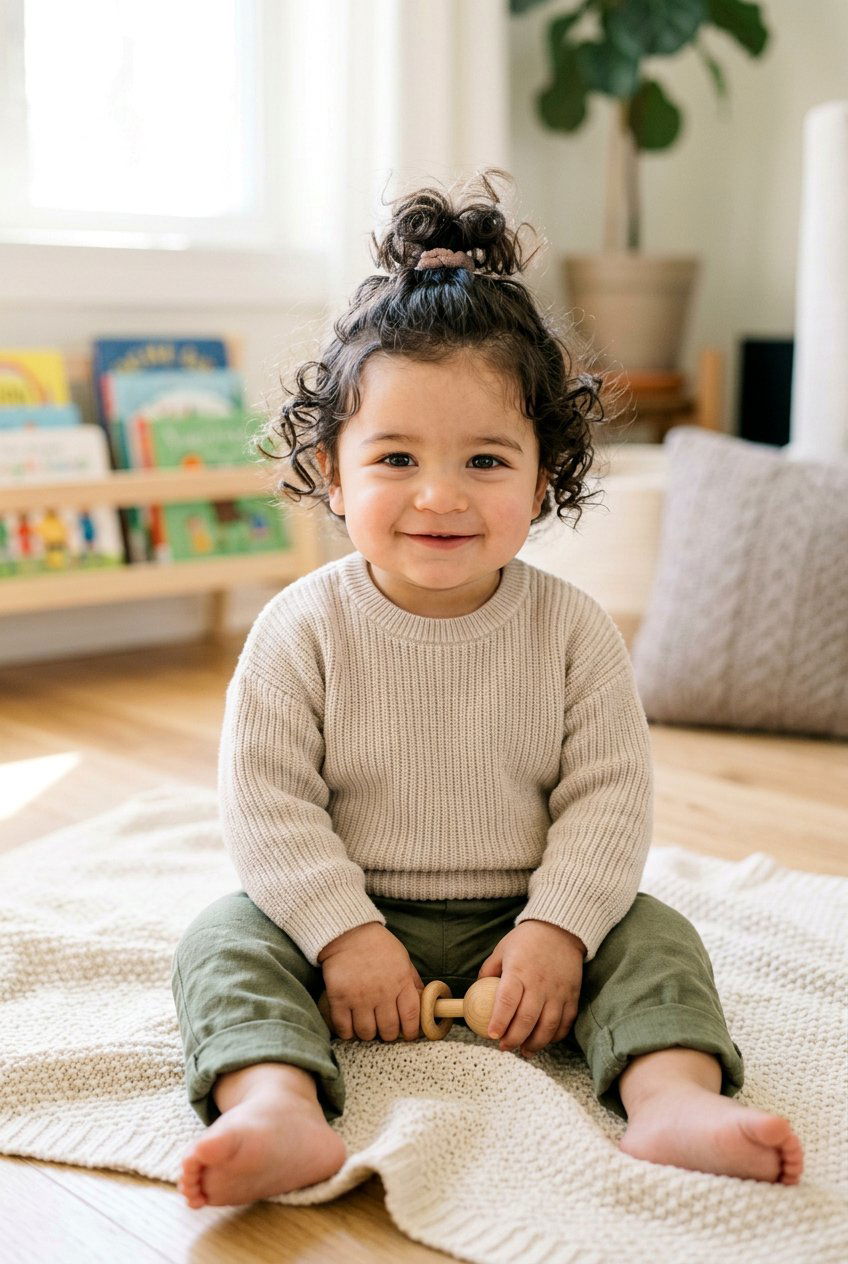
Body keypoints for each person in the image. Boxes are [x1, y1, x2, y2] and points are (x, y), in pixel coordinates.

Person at [170, 169, 804, 1209]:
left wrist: (556, 931)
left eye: (483, 458)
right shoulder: (297, 629)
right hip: (345, 909)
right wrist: (342, 935)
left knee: (656, 936)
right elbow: (268, 808)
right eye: (394, 457)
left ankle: (668, 1094)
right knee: (222, 938)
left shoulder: (571, 631)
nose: (438, 494)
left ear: (545, 471)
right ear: (332, 472)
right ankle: (273, 1098)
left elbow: (606, 801)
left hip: (523, 913)